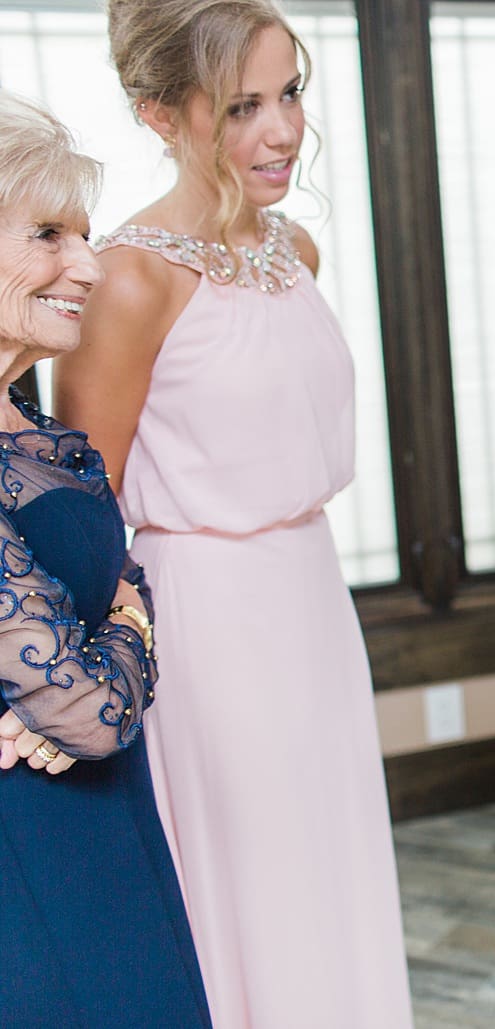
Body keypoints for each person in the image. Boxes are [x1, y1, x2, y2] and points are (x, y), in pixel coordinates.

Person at [52, 2, 412, 1025]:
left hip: (312, 595)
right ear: (159, 113)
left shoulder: (296, 249)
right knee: (257, 880)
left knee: (328, 860)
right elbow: (85, 514)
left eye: (289, 93)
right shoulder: (130, 279)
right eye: (242, 106)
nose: (284, 130)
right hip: (208, 620)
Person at [0, 89, 211, 1027]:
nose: (87, 265)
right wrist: (127, 626)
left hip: (107, 816)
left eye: (85, 235)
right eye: (49, 234)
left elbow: (119, 592)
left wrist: (112, 631)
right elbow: (91, 712)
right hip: (30, 849)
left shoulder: (28, 424)